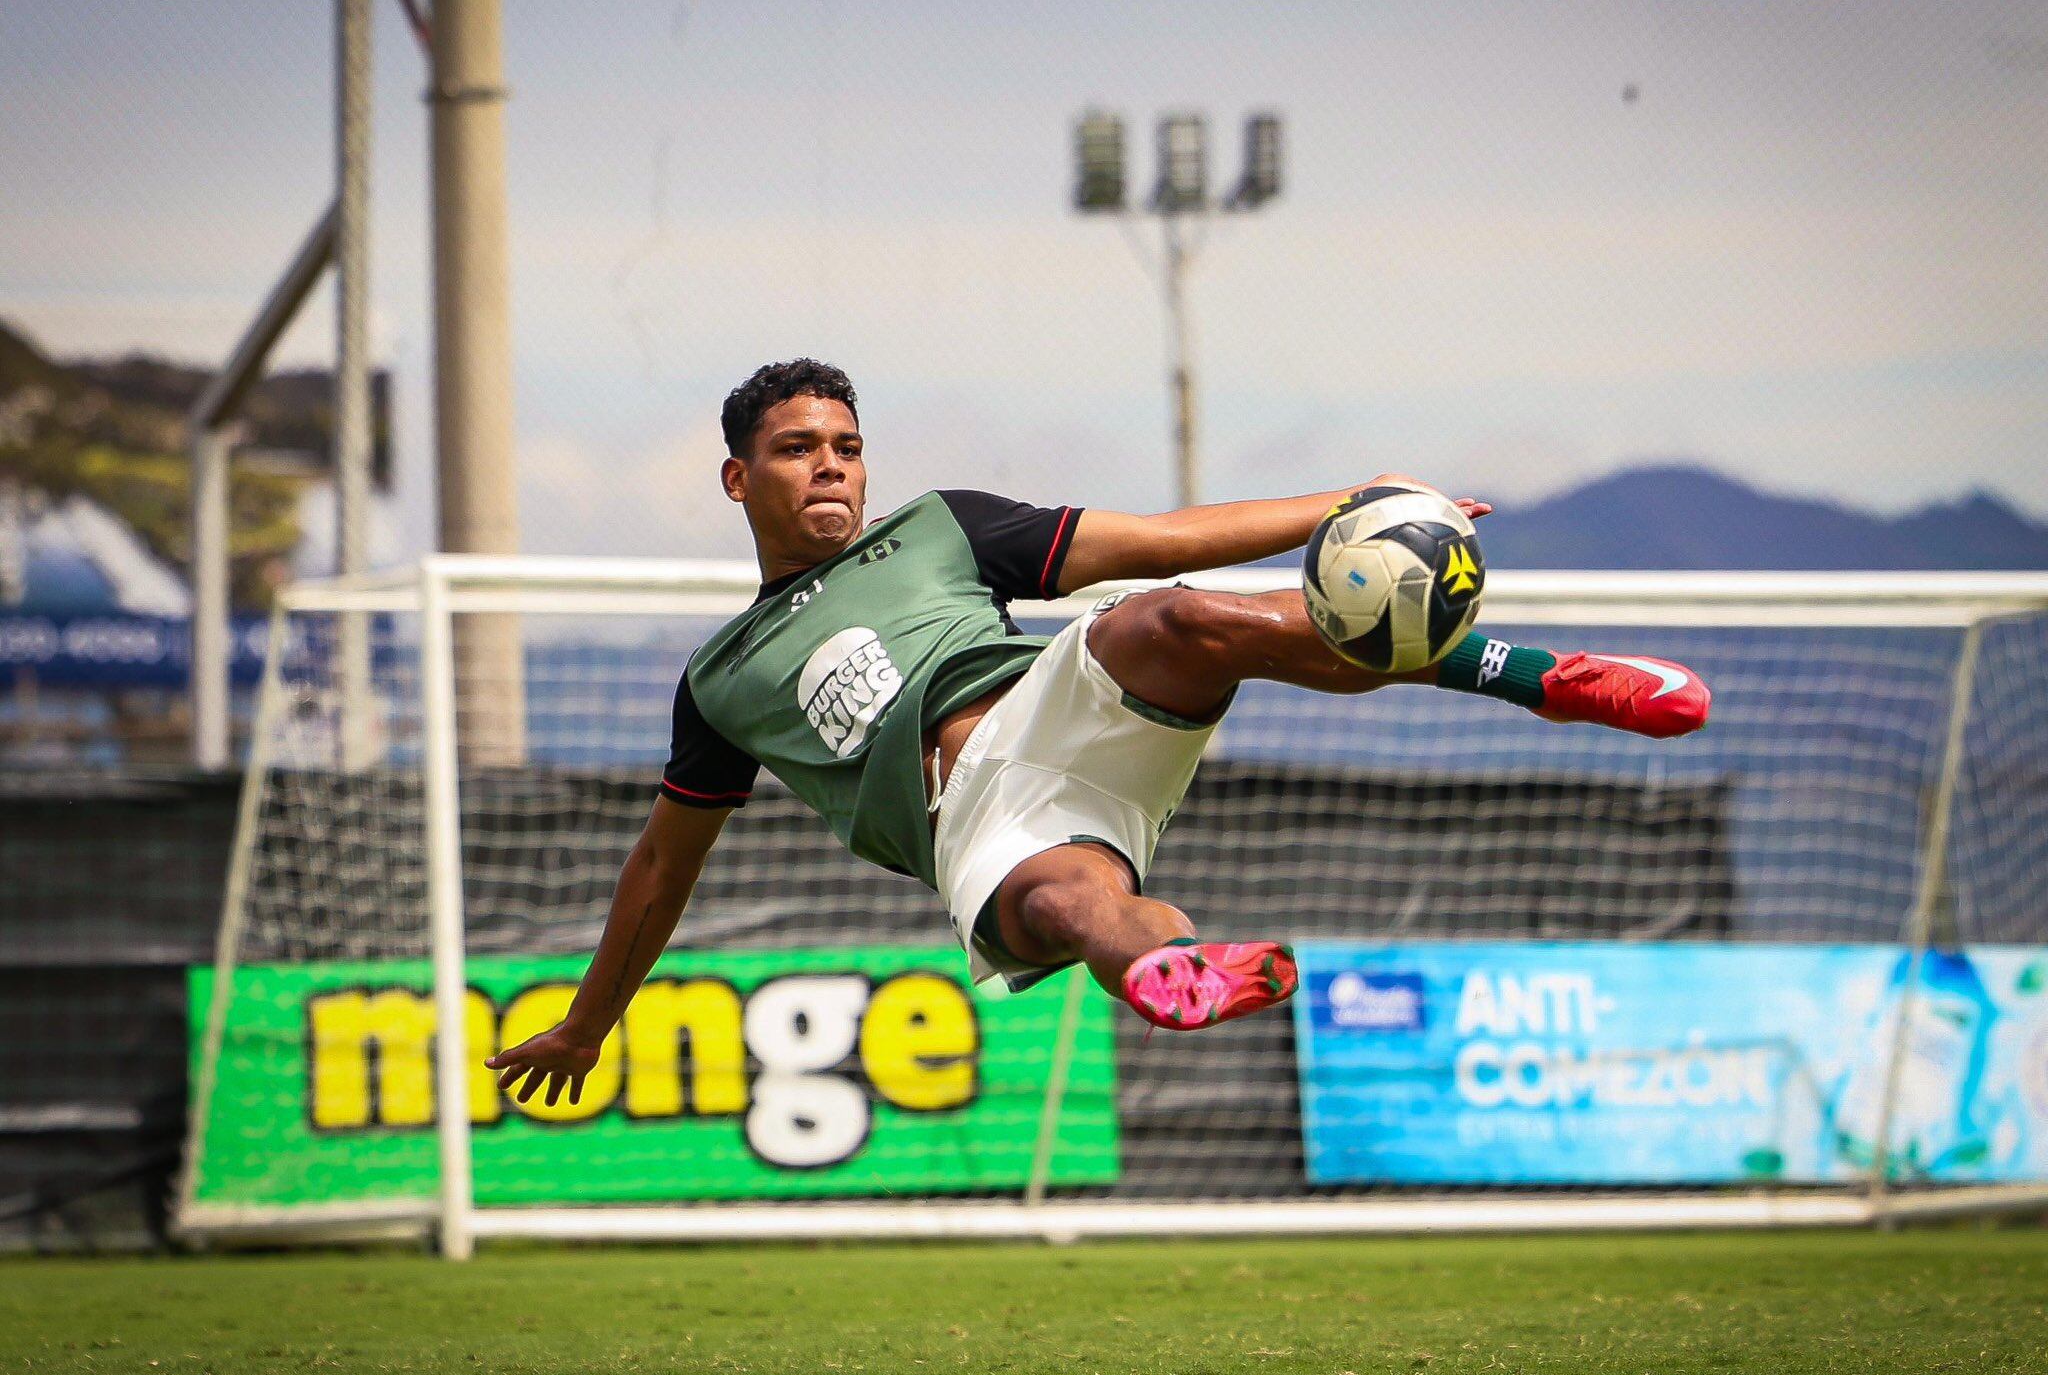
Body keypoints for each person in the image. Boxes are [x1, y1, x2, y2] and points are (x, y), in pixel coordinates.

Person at [487, 359, 1709, 1105]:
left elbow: (1166, 536)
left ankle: (1542, 677)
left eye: (847, 448)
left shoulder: (940, 529)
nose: (831, 471)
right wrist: (591, 1022)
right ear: (735, 478)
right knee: (1072, 910)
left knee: (1176, 613)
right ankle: (1176, 971)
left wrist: (1353, 507)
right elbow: (660, 867)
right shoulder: (717, 681)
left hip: (1053, 700)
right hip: (974, 822)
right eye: (796, 450)